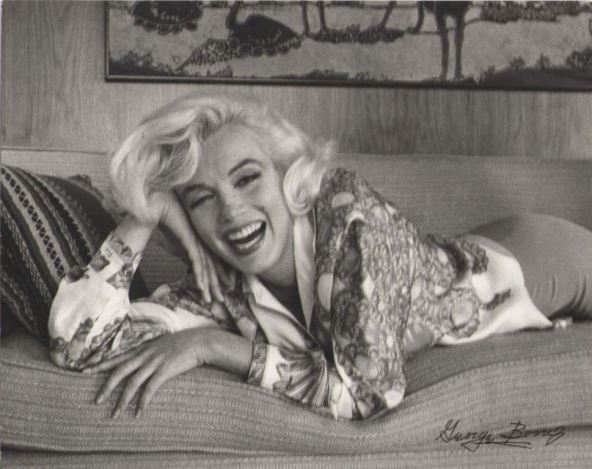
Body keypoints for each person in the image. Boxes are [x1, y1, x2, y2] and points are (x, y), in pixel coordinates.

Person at [48, 94, 592, 420]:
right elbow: (77, 347)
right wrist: (145, 215)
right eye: (201, 199)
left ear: (287, 173)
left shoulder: (349, 216)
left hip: (537, 260)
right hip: (450, 252)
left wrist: (213, 346)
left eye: (247, 178)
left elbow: (371, 396)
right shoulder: (219, 288)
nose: (232, 212)